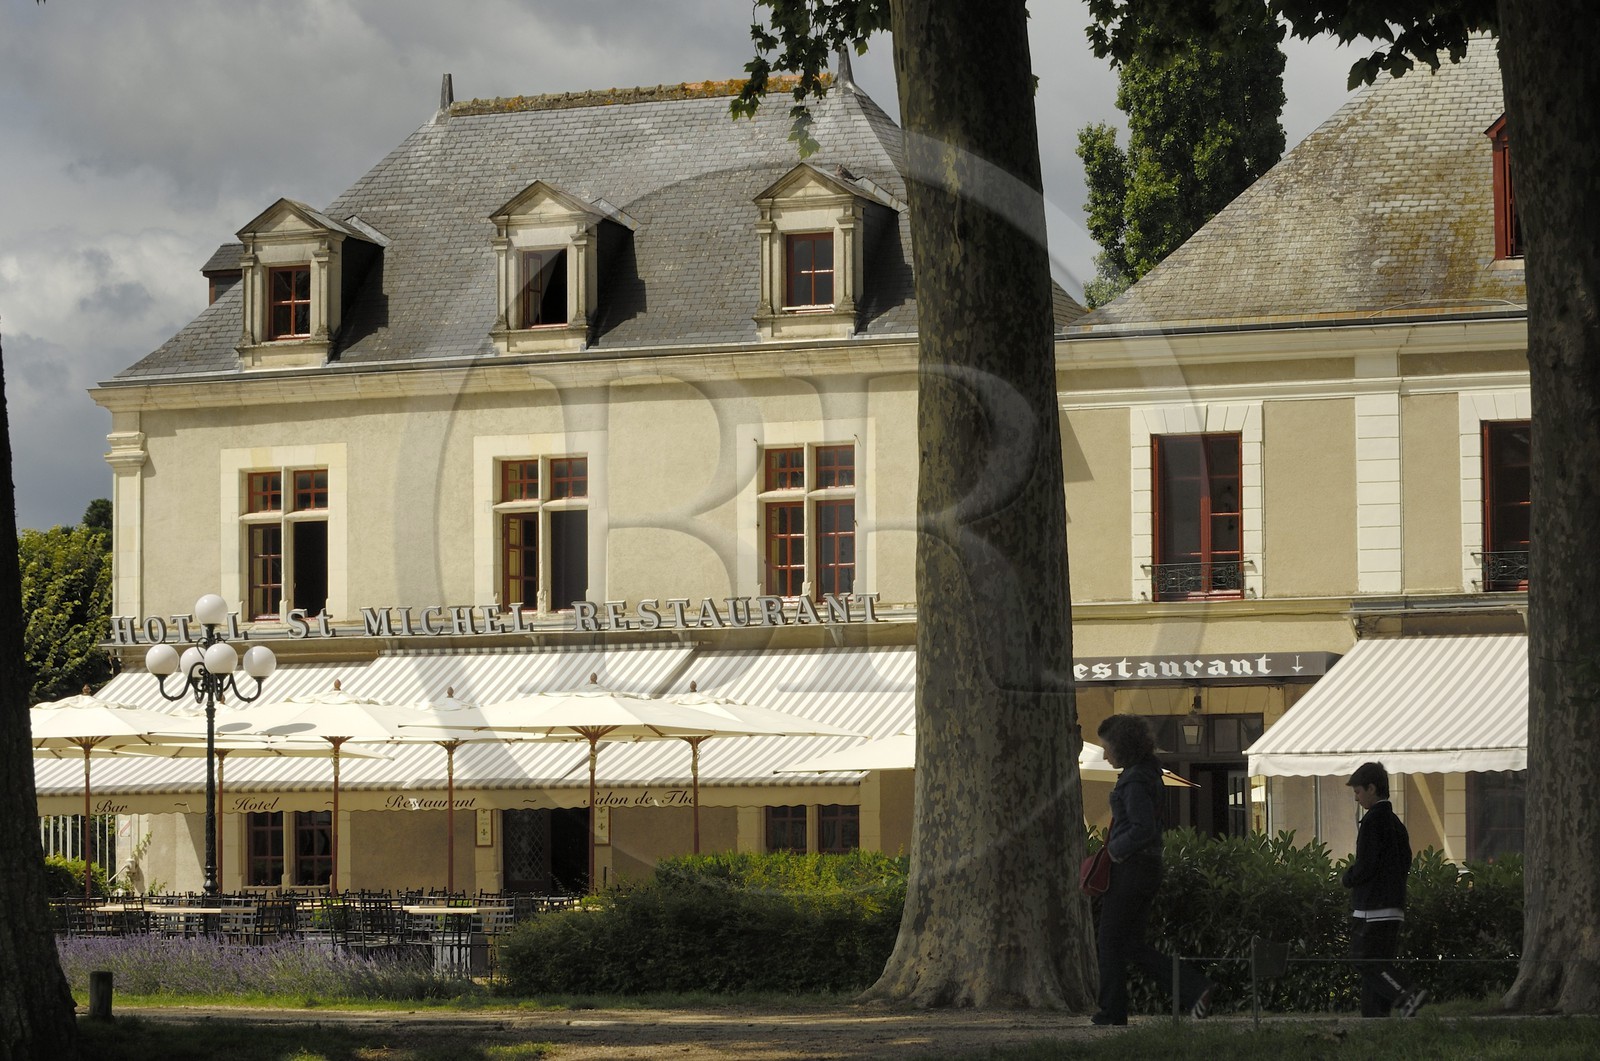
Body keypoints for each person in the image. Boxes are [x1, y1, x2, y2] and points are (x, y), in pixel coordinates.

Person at [1090, 714, 1214, 1026]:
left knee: (1109, 940)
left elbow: (1142, 827)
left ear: (1122, 745)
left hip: (1131, 869)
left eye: (1107, 747)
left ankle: (1112, 1011)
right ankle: (1193, 989)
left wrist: (1116, 851)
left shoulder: (1133, 780)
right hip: (1148, 868)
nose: (1105, 754)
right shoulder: (1150, 774)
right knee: (1130, 943)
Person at [1343, 761, 1427, 1018]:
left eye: (1358, 791)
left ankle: (1407, 994)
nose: (1356, 798)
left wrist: (1348, 877)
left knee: (1364, 959)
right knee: (1379, 963)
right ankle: (1375, 1018)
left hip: (1372, 907)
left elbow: (1366, 864)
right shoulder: (1396, 824)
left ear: (1371, 788)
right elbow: (1406, 860)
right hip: (1394, 906)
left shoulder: (1372, 822)